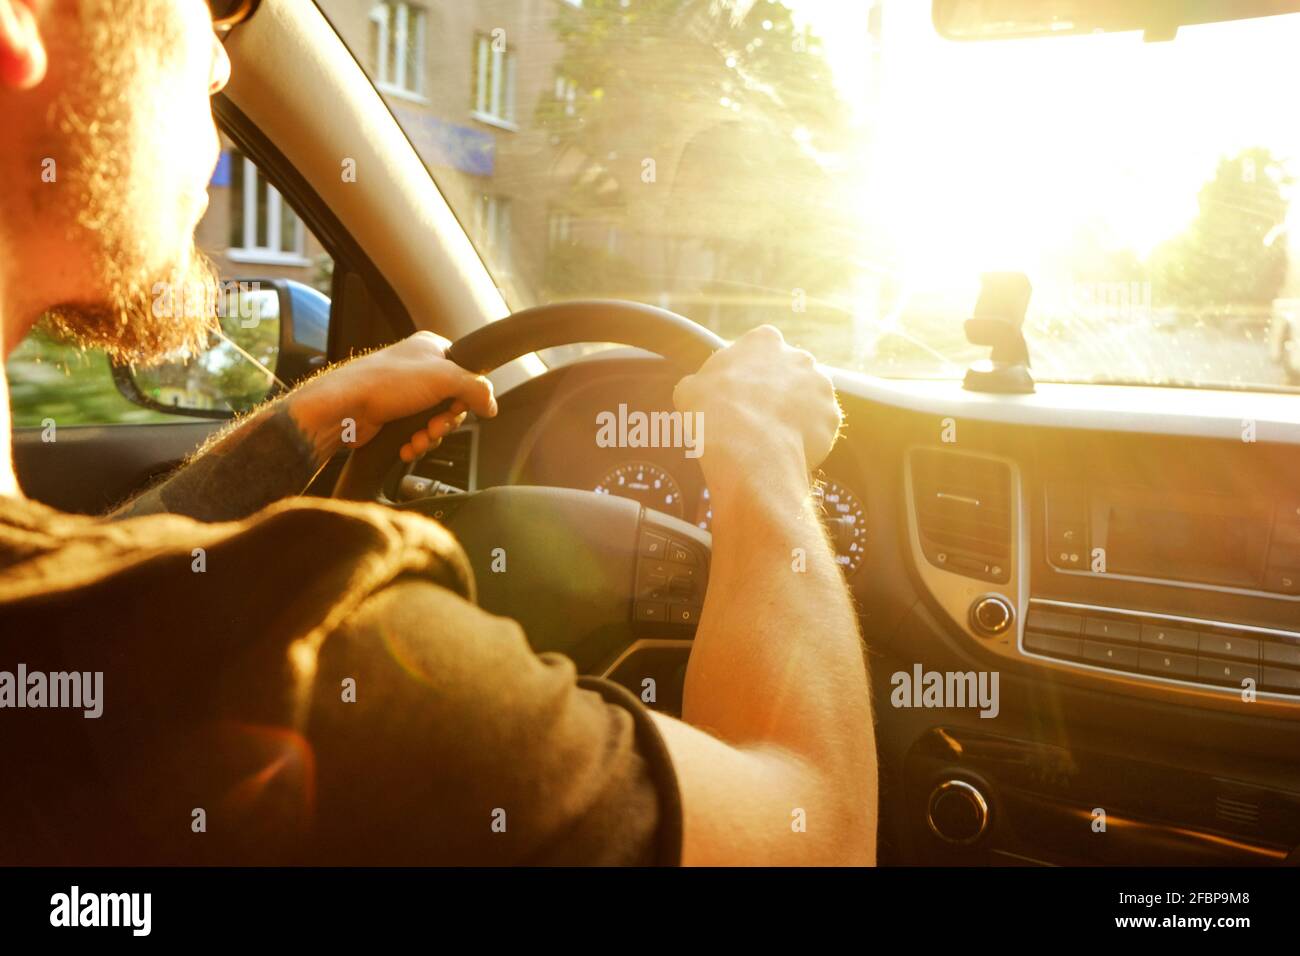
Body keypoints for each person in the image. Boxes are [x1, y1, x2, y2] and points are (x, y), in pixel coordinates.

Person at [0, 0, 876, 865]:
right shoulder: (297, 656)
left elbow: (81, 579)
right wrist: (761, 450)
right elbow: (820, 828)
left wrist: (306, 417)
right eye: (209, 3)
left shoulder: (61, 639)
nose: (222, 61)